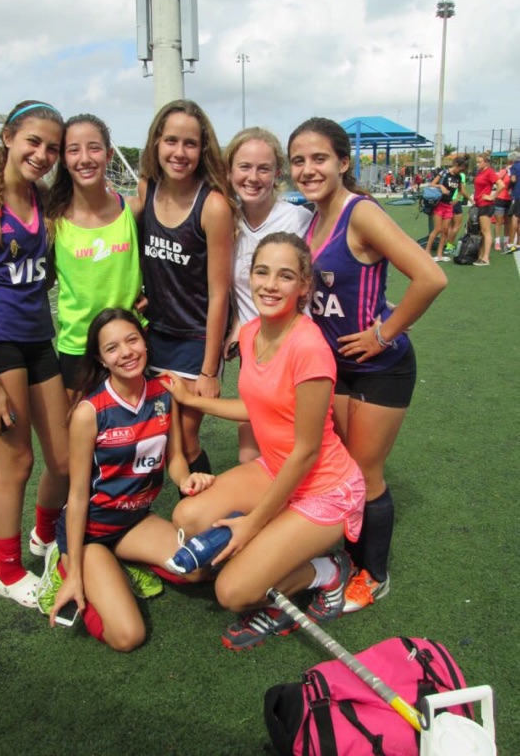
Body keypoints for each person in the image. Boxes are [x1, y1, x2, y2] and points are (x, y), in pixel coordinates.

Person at [162, 232, 367, 650]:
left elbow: (307, 451)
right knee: (187, 517)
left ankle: (326, 569)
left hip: (323, 487)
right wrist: (187, 397)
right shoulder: (252, 331)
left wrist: (251, 525)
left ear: (304, 286)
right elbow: (258, 408)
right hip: (276, 467)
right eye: (262, 272)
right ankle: (272, 542)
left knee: (232, 593)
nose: (270, 284)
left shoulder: (309, 348)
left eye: (285, 275)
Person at [287, 117, 447, 614]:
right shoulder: (312, 219)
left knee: (366, 470)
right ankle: (345, 557)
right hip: (336, 368)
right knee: (340, 470)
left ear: (342, 162)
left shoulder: (362, 213)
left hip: (382, 367)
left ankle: (373, 576)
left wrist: (384, 333)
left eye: (318, 158)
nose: (308, 169)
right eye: (298, 160)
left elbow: (431, 277)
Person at [0, 100, 70, 608]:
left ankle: (44, 537)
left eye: (52, 148)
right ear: (7, 138)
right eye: (34, 142)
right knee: (18, 461)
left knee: (64, 461)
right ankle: (6, 570)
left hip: (38, 341)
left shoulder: (46, 201)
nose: (43, 154)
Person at [42, 308, 214, 651]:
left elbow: (176, 458)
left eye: (132, 339)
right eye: (112, 348)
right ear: (101, 359)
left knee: (200, 570)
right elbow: (76, 497)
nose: (126, 352)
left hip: (134, 522)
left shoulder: (165, 392)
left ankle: (120, 565)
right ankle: (62, 568)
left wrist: (186, 480)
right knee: (127, 636)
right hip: (90, 533)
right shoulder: (89, 413)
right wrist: (75, 572)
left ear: (145, 342)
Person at [137, 99, 236, 475]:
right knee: (158, 436)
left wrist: (210, 371)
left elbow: (220, 294)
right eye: (171, 141)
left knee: (185, 440)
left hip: (195, 341)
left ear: (203, 148)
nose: (179, 152)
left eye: (190, 144)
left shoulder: (212, 205)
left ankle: (199, 522)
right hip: (153, 335)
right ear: (156, 143)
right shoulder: (147, 188)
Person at [222, 127, 312, 462]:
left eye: (264, 168)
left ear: (278, 173)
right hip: (252, 351)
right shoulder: (224, 220)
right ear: (230, 170)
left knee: (298, 448)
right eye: (244, 167)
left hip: (294, 352)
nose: (253, 177)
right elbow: (228, 284)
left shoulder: (299, 219)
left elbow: (331, 272)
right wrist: (235, 322)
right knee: (250, 454)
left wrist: (382, 308)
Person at [46, 114, 144, 395]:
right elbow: (44, 281)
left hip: (131, 345)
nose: (85, 158)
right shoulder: (53, 222)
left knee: (140, 433)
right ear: (64, 159)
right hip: (79, 348)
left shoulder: (134, 211)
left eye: (94, 148)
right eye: (74, 150)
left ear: (109, 154)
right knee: (79, 434)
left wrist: (152, 294)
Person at [424, 158, 467, 262]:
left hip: (449, 206)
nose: (461, 171)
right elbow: (431, 184)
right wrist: (441, 186)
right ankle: (427, 251)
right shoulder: (444, 172)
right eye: (460, 168)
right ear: (456, 165)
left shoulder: (458, 177)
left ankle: (439, 254)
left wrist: (456, 200)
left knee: (445, 231)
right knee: (437, 229)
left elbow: (461, 190)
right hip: (439, 204)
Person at [470, 151, 499, 266]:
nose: (477, 164)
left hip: (486, 205)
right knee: (481, 230)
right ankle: (481, 255)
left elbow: (501, 185)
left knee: (486, 231)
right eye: (477, 162)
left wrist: (492, 196)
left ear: (486, 162)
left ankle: (485, 258)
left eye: (479, 162)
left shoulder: (489, 172)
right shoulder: (480, 172)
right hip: (479, 204)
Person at [505, 150, 520, 253]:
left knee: (514, 218)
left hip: (517, 194)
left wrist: (509, 185)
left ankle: (510, 243)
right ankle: (518, 243)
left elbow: (513, 179)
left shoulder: (514, 167)